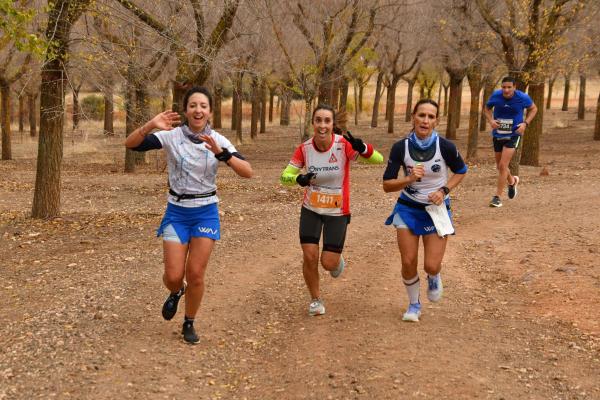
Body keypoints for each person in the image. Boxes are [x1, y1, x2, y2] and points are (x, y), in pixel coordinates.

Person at [125, 86, 253, 343]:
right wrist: (151, 124)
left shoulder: (218, 140)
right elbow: (130, 145)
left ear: (210, 112)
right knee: (173, 276)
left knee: (195, 273)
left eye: (203, 106)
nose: (198, 110)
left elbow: (248, 171)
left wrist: (223, 155)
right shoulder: (172, 136)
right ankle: (176, 291)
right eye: (193, 105)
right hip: (177, 212)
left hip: (205, 212)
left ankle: (189, 321)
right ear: (185, 111)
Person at [280, 104, 383, 316]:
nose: (322, 125)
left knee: (328, 263)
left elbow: (378, 160)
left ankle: (336, 259)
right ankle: (315, 300)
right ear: (313, 123)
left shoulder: (343, 145)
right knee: (309, 256)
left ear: (332, 124)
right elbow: (284, 177)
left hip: (338, 211)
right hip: (311, 208)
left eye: (327, 121)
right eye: (318, 120)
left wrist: (363, 148)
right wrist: (297, 178)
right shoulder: (304, 149)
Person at [383, 99, 467, 322]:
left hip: (435, 209)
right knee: (408, 261)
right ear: (413, 117)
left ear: (436, 121)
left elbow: (461, 170)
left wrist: (444, 190)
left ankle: (434, 275)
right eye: (422, 115)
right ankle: (414, 305)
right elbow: (386, 184)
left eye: (431, 117)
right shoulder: (401, 147)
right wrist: (409, 178)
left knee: (431, 264)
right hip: (408, 208)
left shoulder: (446, 146)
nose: (425, 120)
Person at [483, 76, 537, 207]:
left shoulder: (522, 97)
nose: (506, 90)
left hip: (514, 134)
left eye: (509, 87)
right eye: (503, 87)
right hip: (498, 134)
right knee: (500, 166)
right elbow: (486, 108)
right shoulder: (496, 96)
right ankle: (512, 181)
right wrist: (491, 121)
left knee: (503, 165)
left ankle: (497, 197)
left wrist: (525, 123)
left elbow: (534, 109)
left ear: (514, 87)